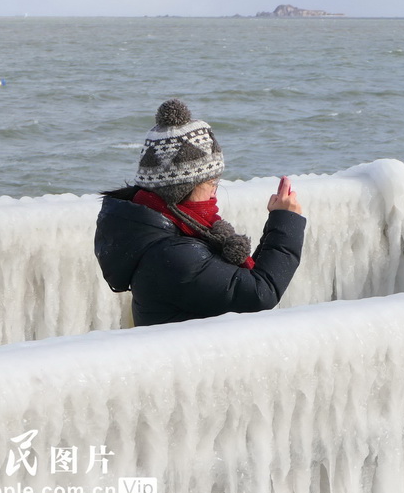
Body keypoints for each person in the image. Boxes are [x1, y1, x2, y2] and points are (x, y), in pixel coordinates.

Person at [94, 98, 305, 326]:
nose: (214, 193)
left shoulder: (167, 234)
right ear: (182, 188)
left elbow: (239, 283)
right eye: (212, 182)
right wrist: (285, 221)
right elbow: (260, 293)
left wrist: (278, 223)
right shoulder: (173, 255)